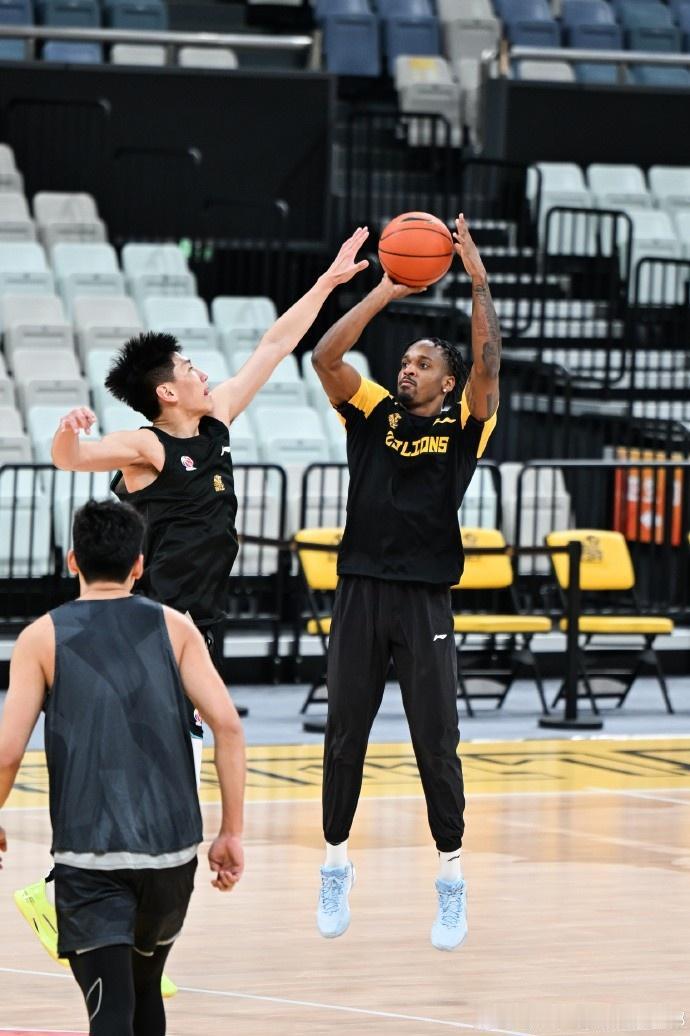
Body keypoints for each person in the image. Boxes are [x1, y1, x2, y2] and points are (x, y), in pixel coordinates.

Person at [14, 226, 370, 961]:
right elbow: (73, 459)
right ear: (166, 392)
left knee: (164, 765)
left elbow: (275, 342)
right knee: (146, 763)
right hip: (141, 627)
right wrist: (68, 431)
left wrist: (330, 283)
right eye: (186, 366)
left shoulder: (218, 420)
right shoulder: (149, 445)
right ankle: (70, 898)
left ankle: (120, 923)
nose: (202, 371)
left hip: (194, 625)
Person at [309, 214, 500, 951]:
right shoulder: (372, 413)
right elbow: (326, 356)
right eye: (406, 360)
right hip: (360, 586)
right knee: (343, 735)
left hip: (424, 597)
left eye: (423, 363)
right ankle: (334, 862)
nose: (408, 368)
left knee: (435, 741)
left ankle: (451, 876)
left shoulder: (465, 427)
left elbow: (489, 367)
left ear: (447, 382)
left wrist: (477, 282)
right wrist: (386, 290)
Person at [0, 499, 246, 1036]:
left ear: (72, 561)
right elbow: (228, 727)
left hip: (91, 855)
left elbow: (6, 754)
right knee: (144, 991)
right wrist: (230, 832)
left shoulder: (41, 637)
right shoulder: (177, 628)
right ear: (139, 564)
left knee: (111, 1010)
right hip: (171, 853)